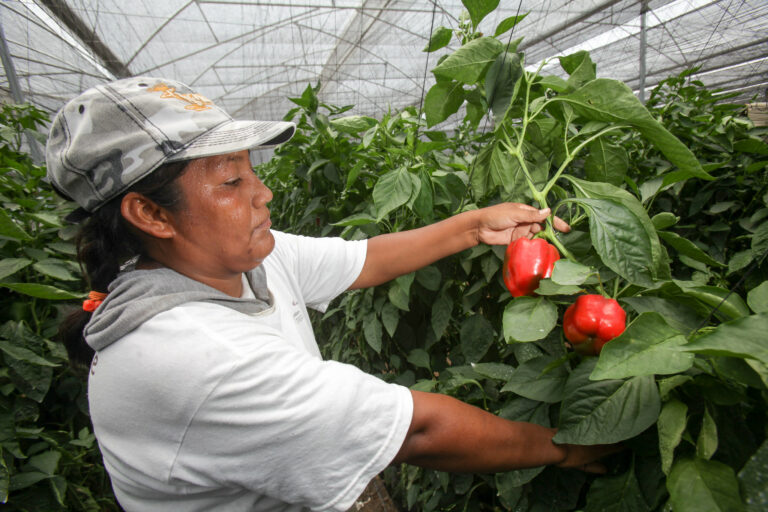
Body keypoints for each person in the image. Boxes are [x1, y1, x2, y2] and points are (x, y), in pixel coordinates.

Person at [48, 77, 616, 512]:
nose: (263, 193)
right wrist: (575, 445)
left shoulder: (235, 259)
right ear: (150, 213)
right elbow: (419, 430)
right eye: (231, 181)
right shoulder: (191, 355)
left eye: (253, 171)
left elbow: (364, 259)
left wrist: (475, 227)